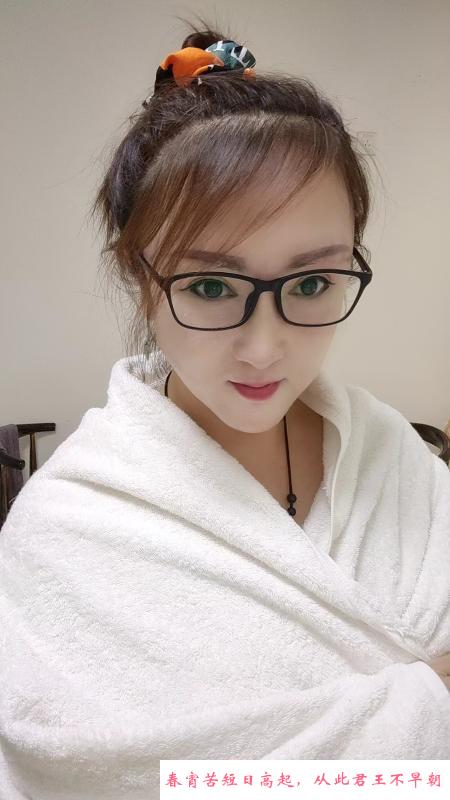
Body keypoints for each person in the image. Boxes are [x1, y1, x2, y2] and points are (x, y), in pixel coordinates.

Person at [1, 17, 449, 800]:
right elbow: (82, 768)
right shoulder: (65, 530)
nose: (264, 349)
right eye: (210, 285)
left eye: (311, 283)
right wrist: (427, 698)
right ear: (139, 278)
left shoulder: (389, 452)